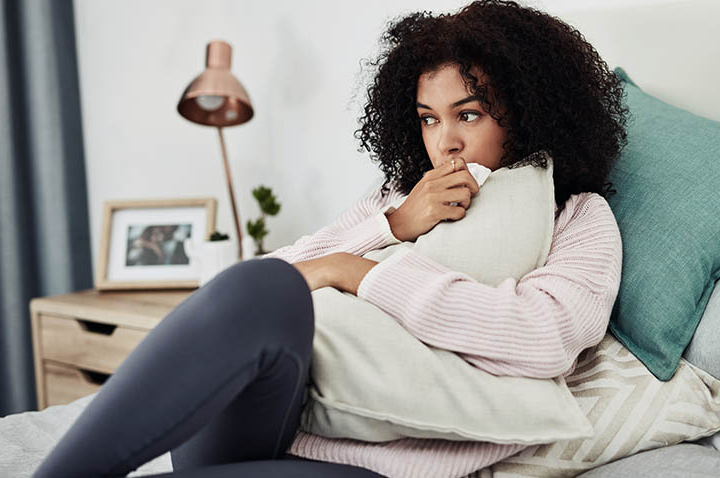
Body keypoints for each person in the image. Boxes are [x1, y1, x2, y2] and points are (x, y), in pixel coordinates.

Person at [34, 1, 626, 477]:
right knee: (260, 283)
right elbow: (259, 289)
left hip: (378, 460)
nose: (444, 142)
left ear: (524, 114)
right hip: (271, 415)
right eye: (428, 118)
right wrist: (391, 227)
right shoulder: (395, 199)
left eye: (467, 115)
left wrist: (359, 271)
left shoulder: (576, 218)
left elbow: (544, 338)